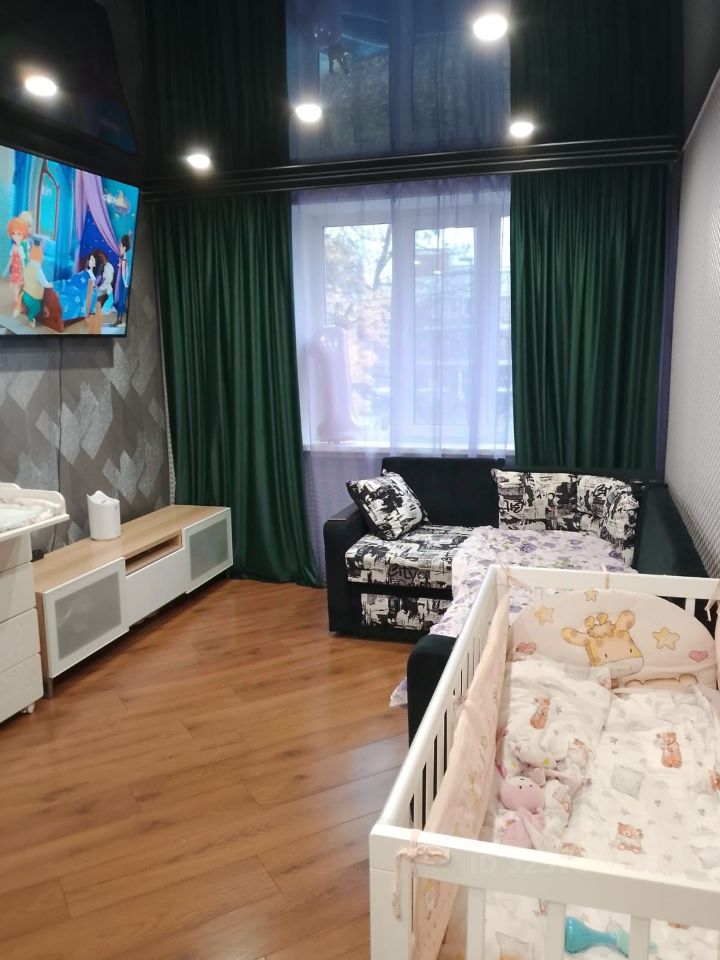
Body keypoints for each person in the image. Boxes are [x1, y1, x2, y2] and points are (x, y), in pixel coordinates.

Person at [3, 216, 31, 317]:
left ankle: (18, 304)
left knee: (18, 287)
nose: (15, 236)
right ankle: (17, 302)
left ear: (23, 235)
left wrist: (24, 272)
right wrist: (6, 270)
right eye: (13, 234)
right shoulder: (13, 247)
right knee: (13, 286)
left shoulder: (22, 248)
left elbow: (23, 261)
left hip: (19, 270)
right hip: (14, 270)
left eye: (19, 234)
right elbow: (10, 259)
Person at [21, 242, 53, 327]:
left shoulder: (29, 265)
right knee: (37, 308)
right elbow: (44, 282)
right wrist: (50, 285)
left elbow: (26, 276)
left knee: (34, 305)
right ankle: (30, 318)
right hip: (33, 297)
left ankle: (25, 309)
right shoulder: (38, 269)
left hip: (25, 293)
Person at [114, 233, 131, 325]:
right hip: (122, 281)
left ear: (124, 248)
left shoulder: (124, 259)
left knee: (120, 301)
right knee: (121, 301)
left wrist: (125, 283)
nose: (119, 247)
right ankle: (119, 318)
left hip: (122, 281)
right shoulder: (123, 257)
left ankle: (119, 319)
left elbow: (124, 273)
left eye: (120, 246)